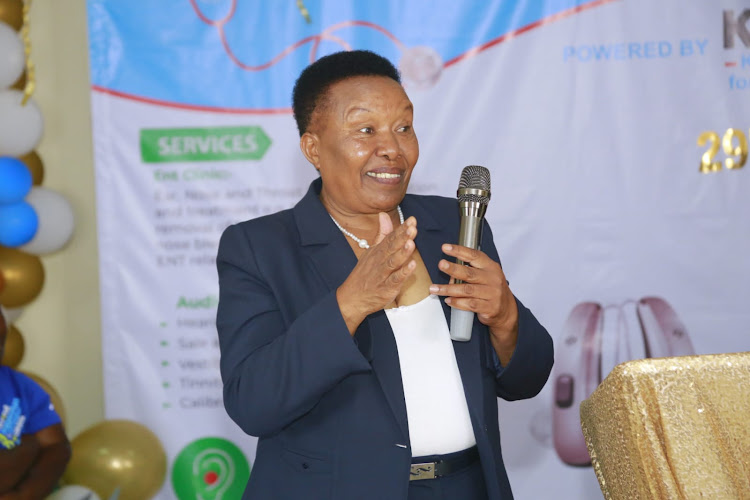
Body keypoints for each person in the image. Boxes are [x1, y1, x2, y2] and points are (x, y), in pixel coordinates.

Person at [216, 50, 554, 500]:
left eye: (403, 127)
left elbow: (528, 378)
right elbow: (253, 404)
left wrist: (507, 317)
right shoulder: (260, 248)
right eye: (365, 130)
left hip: (466, 486)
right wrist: (351, 302)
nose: (392, 148)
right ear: (313, 147)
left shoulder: (455, 227)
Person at [0, 308, 71, 500]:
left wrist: (24, 495)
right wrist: (28, 447)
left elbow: (57, 447)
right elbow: (38, 445)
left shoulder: (22, 387)